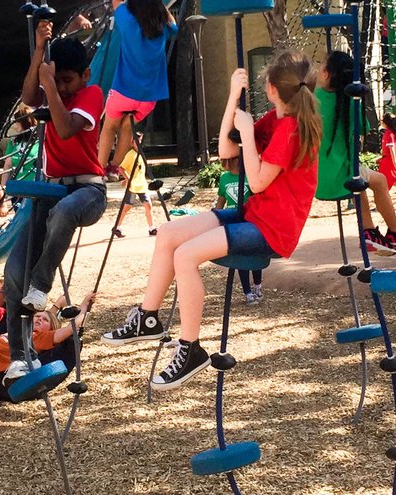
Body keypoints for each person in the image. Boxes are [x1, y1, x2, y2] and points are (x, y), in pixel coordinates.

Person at [102, 52, 320, 390]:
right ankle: (148, 318)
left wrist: (247, 134)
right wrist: (233, 98)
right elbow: (226, 153)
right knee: (170, 233)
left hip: (271, 231)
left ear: (272, 88)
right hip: (252, 215)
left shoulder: (290, 130)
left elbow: (259, 180)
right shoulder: (275, 120)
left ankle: (191, 350)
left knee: (185, 255)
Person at [4, 24, 109, 385]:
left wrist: (51, 86)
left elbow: (65, 129)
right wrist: (38, 52)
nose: (62, 88)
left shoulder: (92, 94)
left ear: (84, 76)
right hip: (51, 191)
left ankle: (42, 282)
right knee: (13, 270)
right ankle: (19, 357)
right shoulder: (51, 90)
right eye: (58, 81)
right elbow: (29, 95)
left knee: (64, 212)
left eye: (68, 81)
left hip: (88, 192)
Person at [316, 50, 396, 253]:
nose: (318, 68)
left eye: (322, 64)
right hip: (341, 175)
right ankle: (394, 230)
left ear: (327, 74)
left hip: (319, 177)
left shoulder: (314, 98)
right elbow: (363, 130)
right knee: (378, 180)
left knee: (362, 180)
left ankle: (370, 232)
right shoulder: (351, 102)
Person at [96, 0, 176, 181]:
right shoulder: (162, 29)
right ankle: (114, 168)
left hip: (124, 91)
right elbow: (173, 24)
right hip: (148, 98)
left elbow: (116, 2)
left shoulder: (129, 23)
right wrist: (159, 1)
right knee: (127, 128)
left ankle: (99, 168)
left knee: (109, 126)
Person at [217, 165, 263, 304]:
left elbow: (258, 197)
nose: (225, 163)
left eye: (228, 161)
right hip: (233, 222)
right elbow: (221, 200)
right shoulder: (224, 178)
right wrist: (216, 215)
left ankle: (258, 285)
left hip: (250, 220)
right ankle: (247, 292)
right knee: (240, 257)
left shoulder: (250, 175)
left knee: (255, 253)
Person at [112, 138, 157, 238]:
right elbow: (121, 168)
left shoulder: (140, 154)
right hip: (133, 186)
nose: (138, 143)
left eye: (140, 141)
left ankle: (152, 228)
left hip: (142, 184)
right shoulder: (130, 155)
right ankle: (117, 227)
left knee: (148, 205)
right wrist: (127, 179)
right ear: (132, 143)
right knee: (127, 207)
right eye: (136, 141)